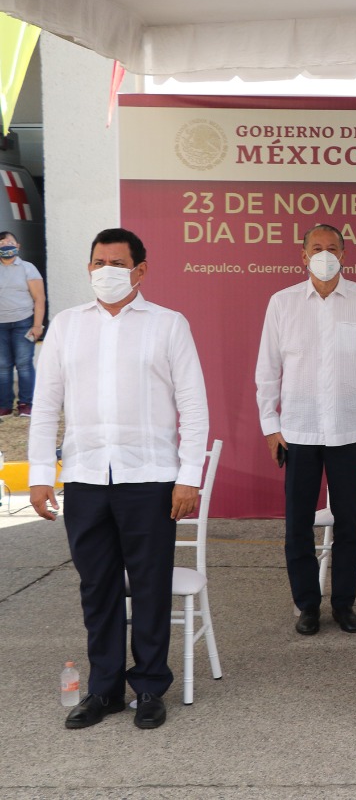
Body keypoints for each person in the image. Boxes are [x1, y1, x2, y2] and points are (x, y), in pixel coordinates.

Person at [29, 228, 209, 731]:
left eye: (116, 262)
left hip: (150, 477)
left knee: (150, 585)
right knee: (97, 587)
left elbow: (193, 406)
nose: (105, 271)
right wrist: (42, 474)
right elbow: (45, 406)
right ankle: (104, 688)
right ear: (88, 268)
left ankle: (149, 686)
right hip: (85, 476)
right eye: (97, 262)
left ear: (140, 270)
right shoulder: (67, 326)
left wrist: (187, 476)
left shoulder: (168, 325)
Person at [254, 223, 356, 636]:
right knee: (298, 523)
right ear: (303, 255)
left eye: (332, 248)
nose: (325, 254)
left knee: (349, 521)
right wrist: (270, 425)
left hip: (351, 432)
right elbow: (267, 370)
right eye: (317, 248)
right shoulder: (283, 303)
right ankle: (307, 605)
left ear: (345, 255)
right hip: (298, 431)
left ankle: (344, 604)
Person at [0, 231, 45, 416]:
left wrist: (37, 325)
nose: (6, 245)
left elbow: (39, 298)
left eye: (9, 242)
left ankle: (26, 404)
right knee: (2, 366)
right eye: (1, 243)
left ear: (18, 246)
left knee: (24, 363)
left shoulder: (28, 268)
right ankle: (4, 405)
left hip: (23, 323)